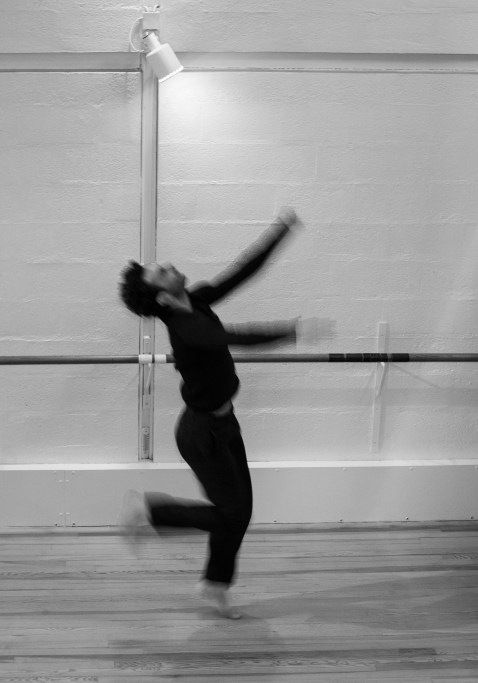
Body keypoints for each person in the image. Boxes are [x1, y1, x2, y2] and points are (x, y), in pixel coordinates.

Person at [117, 207, 334, 618]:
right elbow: (233, 337)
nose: (168, 265)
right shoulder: (187, 329)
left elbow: (240, 273)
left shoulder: (195, 300)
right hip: (202, 434)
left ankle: (215, 584)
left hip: (221, 423)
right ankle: (150, 511)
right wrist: (293, 330)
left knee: (239, 513)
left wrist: (278, 232)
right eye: (160, 271)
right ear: (161, 295)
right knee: (231, 513)